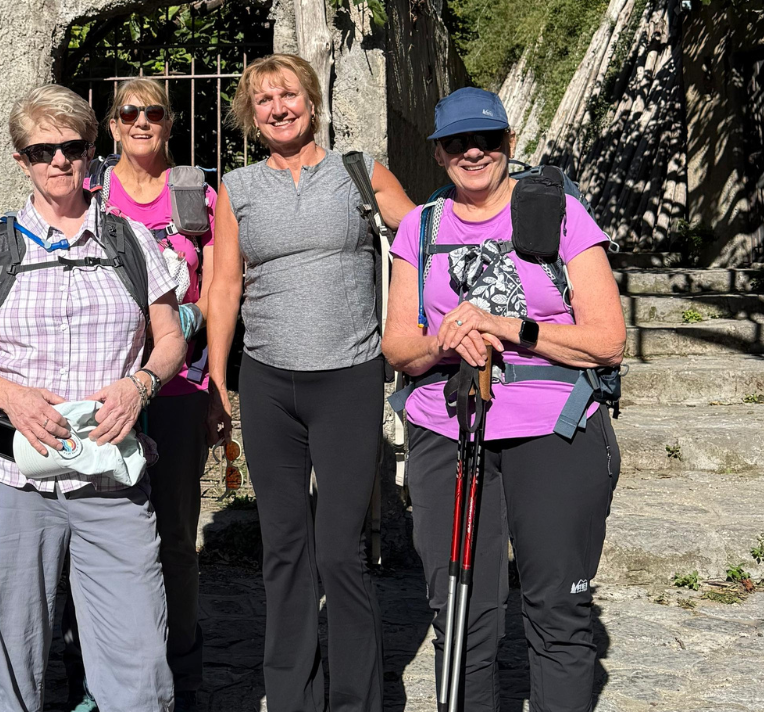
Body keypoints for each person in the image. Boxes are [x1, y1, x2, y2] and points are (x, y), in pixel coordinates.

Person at [0, 83, 187, 712]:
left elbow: (169, 340)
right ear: (21, 160)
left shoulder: (132, 241)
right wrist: (12, 397)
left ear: (90, 151)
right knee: (15, 671)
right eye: (41, 150)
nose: (58, 161)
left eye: (71, 147)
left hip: (111, 481)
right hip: (13, 483)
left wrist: (141, 385)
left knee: (140, 676)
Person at [382, 87, 625, 712]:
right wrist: (446, 337)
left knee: (557, 609)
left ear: (509, 145)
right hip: (449, 426)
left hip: (556, 427)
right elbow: (398, 347)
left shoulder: (559, 212)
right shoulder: (420, 227)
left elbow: (607, 341)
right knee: (463, 615)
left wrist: (507, 326)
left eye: (487, 139)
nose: (473, 152)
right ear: (438, 154)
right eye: (458, 142)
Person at [205, 53, 414, 712]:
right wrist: (216, 377)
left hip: (347, 379)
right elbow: (226, 284)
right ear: (249, 112)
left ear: (312, 100)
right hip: (268, 385)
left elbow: (422, 236)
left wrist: (410, 328)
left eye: (288, 93)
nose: (277, 107)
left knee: (339, 550)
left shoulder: (359, 168)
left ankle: (356, 699)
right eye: (262, 99)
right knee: (285, 548)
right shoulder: (237, 189)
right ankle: (291, 695)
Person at [62, 77, 227, 712]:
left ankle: (181, 672)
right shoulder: (91, 192)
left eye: (152, 112)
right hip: (100, 388)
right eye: (129, 112)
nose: (141, 121)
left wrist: (211, 377)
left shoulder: (196, 195)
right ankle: (90, 676)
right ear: (111, 124)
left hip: (178, 384)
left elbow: (215, 292)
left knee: (176, 537)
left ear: (169, 121)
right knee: (93, 533)